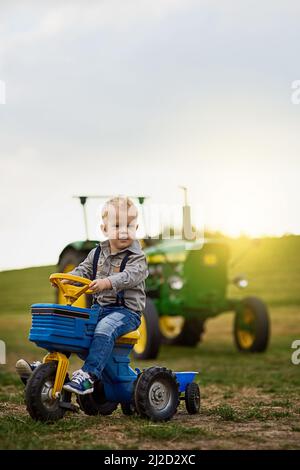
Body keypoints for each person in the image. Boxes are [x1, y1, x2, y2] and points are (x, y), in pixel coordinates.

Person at [16, 196, 148, 394]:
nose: (123, 231)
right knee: (72, 325)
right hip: (99, 309)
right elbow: (83, 270)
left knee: (105, 327)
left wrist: (106, 282)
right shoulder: (96, 253)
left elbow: (129, 277)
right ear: (105, 229)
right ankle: (48, 367)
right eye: (117, 225)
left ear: (136, 228)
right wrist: (68, 278)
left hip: (126, 313)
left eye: (129, 225)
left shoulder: (137, 257)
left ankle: (89, 375)